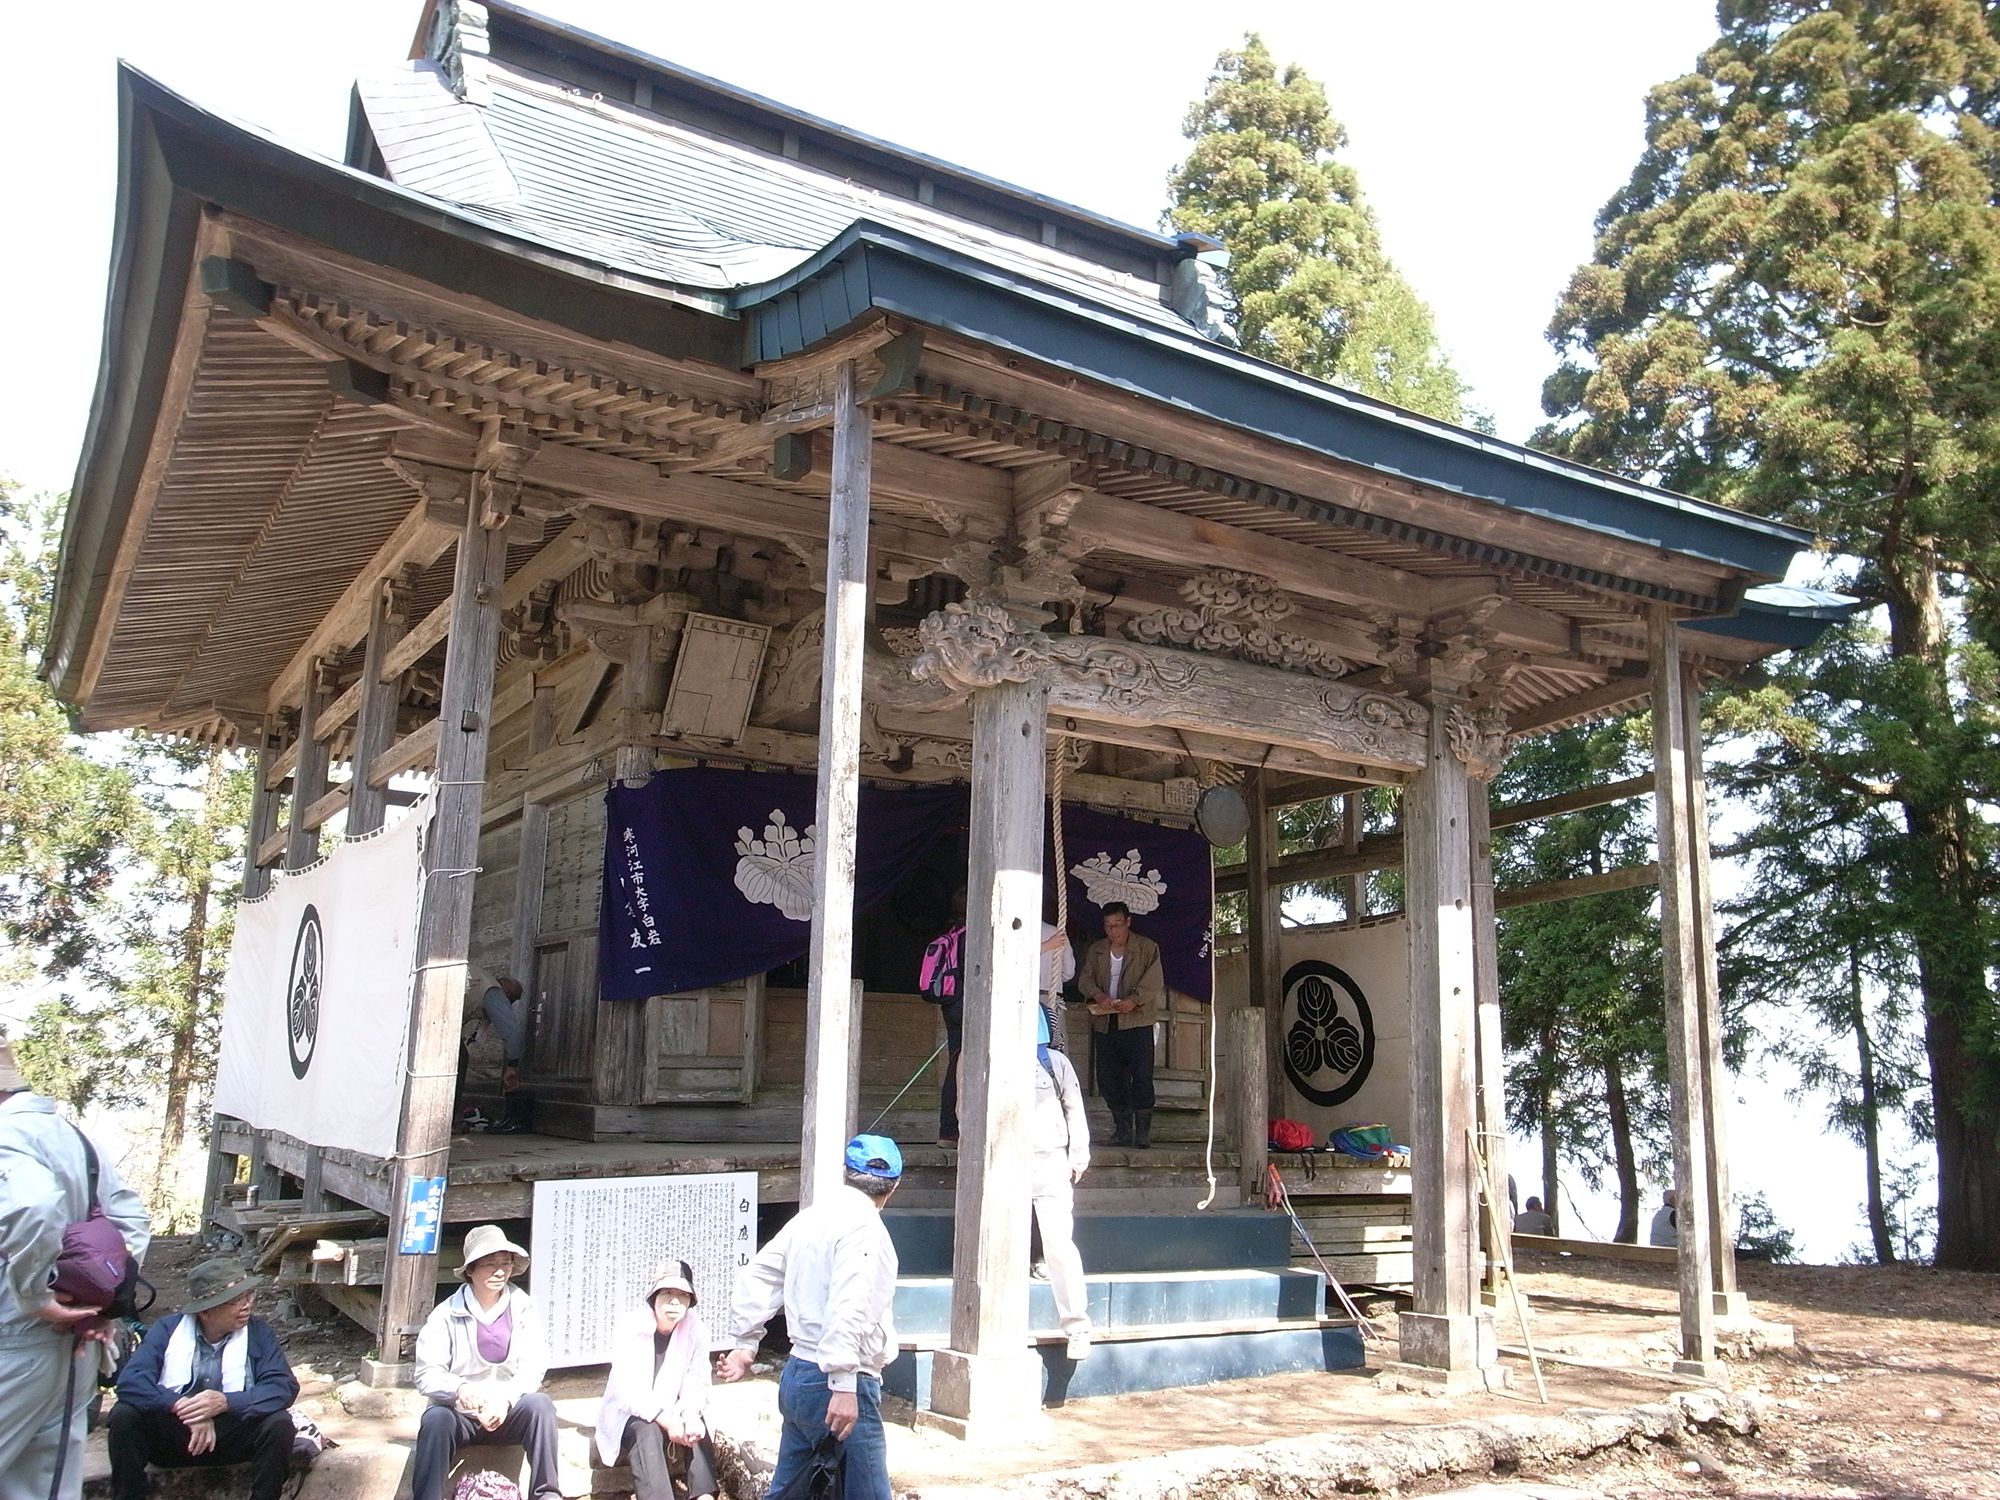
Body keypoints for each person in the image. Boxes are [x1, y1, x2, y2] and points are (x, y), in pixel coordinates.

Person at [0, 1040, 152, 1500]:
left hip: (13, 1344)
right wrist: (103, 1303)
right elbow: (132, 1224)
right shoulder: (74, 1137)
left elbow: (34, 1204)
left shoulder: (6, 1136)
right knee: (42, 1490)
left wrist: (34, 1296)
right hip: (72, 1350)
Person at [719, 1135, 901, 1500]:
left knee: (790, 1492)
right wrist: (844, 1383)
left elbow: (759, 1275)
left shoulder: (811, 1218)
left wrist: (745, 1343)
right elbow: (848, 1306)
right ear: (893, 1187)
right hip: (838, 1381)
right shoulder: (866, 1229)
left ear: (847, 1174)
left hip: (799, 1374)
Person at [107, 1258, 300, 1500]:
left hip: (230, 1432)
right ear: (206, 1311)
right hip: (175, 1433)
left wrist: (225, 1403)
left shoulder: (258, 1332)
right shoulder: (167, 1330)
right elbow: (131, 1381)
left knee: (279, 1423)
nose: (247, 1306)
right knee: (124, 1415)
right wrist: (181, 1407)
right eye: (236, 1301)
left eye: (249, 1296)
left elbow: (282, 1386)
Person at [412, 1224, 557, 1500]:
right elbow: (427, 1373)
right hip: (462, 1415)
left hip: (507, 1411)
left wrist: (505, 1401)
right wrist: (459, 1389)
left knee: (541, 1406)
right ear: (470, 1271)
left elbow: (534, 1363)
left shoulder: (523, 1308)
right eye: (489, 1265)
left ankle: (547, 1495)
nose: (499, 1272)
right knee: (435, 1419)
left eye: (505, 1264)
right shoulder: (445, 1314)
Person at [595, 1260, 719, 1500]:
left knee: (697, 1423)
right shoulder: (630, 1325)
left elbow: (697, 1379)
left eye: (682, 1295)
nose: (674, 1302)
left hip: (672, 1407)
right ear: (654, 1296)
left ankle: (703, 1495)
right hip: (630, 1413)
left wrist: (690, 1413)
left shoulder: (697, 1330)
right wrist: (665, 1419)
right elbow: (626, 1390)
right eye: (668, 1293)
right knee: (647, 1429)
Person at [1029, 1010, 1093, 1360]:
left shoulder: (1055, 1063)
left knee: (1059, 1244)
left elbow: (1074, 1108)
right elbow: (966, 1107)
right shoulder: (977, 1056)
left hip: (1050, 1159)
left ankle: (1077, 1325)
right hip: (1002, 1162)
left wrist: (1078, 1154)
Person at [1077, 902, 1165, 1148]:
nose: (1112, 931)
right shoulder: (1097, 950)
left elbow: (1154, 980)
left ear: (1128, 922)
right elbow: (1085, 980)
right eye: (1108, 926)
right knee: (1108, 1077)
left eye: (1117, 925)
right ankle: (1122, 1128)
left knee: (1142, 1076)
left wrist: (1134, 1000)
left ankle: (1143, 1133)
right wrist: (1098, 995)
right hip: (1107, 1021)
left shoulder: (1147, 948)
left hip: (1137, 1021)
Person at [1038, 917, 1076, 1058]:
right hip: (1051, 998)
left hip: (1022, 1000)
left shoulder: (1014, 932)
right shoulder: (1057, 933)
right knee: (1057, 1048)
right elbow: (1069, 972)